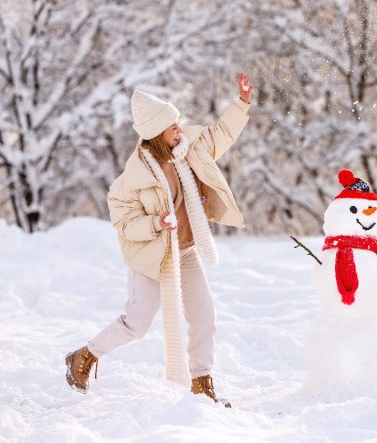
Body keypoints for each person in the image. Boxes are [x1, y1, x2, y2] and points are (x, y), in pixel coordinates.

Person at [65, 74, 254, 407]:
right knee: (137, 324)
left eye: (178, 124)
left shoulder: (190, 149)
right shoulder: (132, 178)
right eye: (173, 128)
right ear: (156, 135)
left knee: (203, 315)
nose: (179, 131)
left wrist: (241, 103)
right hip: (152, 256)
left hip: (185, 250)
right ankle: (84, 355)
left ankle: (202, 383)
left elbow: (222, 134)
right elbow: (123, 222)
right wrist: (155, 222)